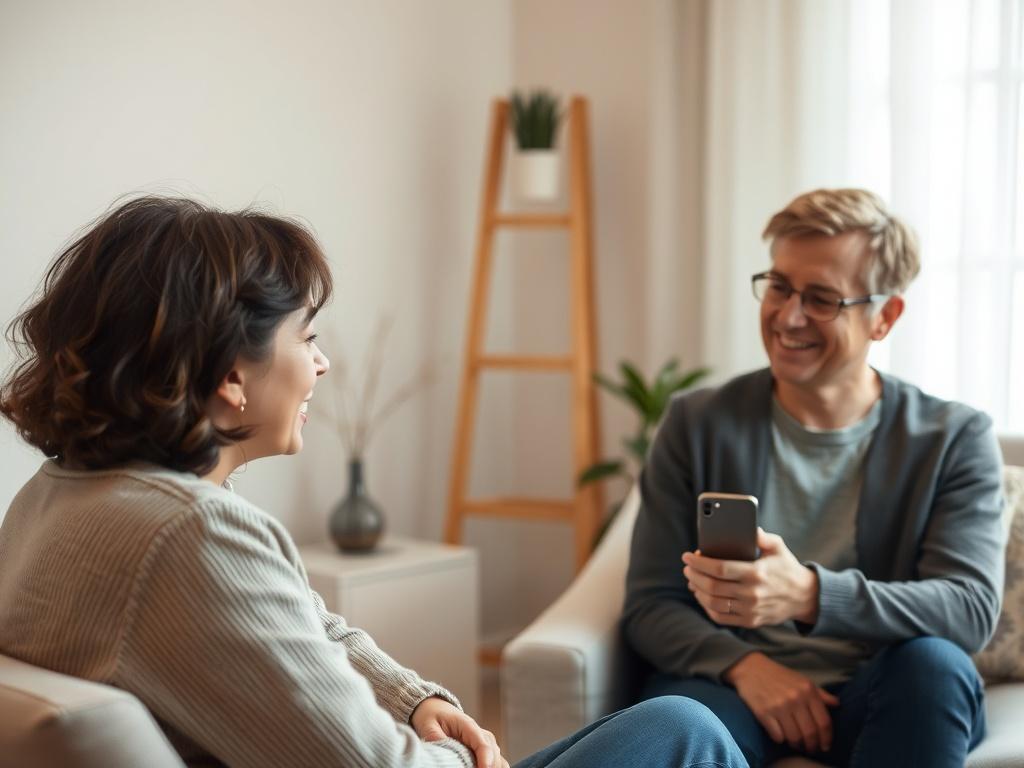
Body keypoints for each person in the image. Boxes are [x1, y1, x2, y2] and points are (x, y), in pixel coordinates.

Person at [0, 196, 747, 768]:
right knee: (683, 731)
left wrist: (409, 697)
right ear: (231, 374)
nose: (320, 366)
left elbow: (298, 625)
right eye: (308, 338)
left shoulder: (66, 493)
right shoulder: (185, 536)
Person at [623, 188, 1006, 768]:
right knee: (675, 718)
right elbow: (651, 605)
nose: (789, 315)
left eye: (822, 298)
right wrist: (746, 666)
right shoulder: (697, 423)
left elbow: (969, 608)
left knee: (935, 668)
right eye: (778, 286)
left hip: (882, 692)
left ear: (885, 316)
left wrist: (808, 594)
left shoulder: (954, 437)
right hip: (733, 692)